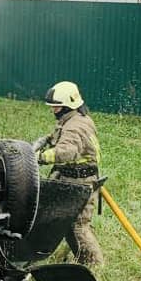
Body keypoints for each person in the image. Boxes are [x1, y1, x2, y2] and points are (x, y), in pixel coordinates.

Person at [33, 81, 104, 266]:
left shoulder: (76, 126)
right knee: (66, 223)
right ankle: (82, 259)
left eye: (55, 107)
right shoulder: (73, 119)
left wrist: (39, 157)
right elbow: (57, 136)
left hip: (80, 182)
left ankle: (95, 267)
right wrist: (43, 141)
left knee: (78, 225)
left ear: (67, 105)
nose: (53, 110)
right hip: (73, 178)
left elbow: (67, 152)